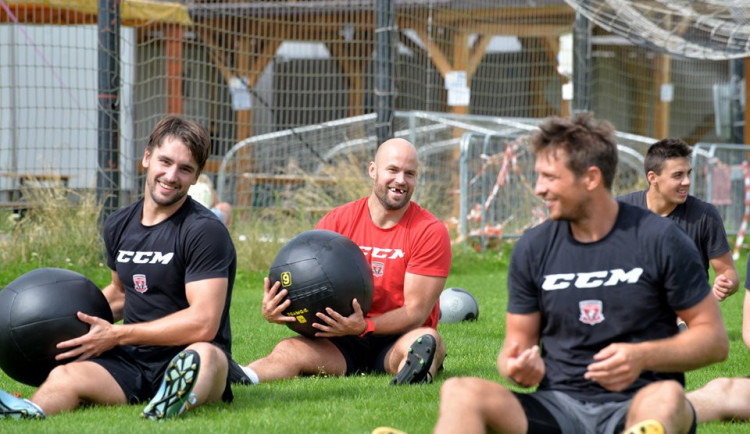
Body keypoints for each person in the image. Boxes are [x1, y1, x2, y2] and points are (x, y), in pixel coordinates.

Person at [432, 114, 728, 434]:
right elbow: (513, 349)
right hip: (559, 408)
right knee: (460, 392)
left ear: (590, 178)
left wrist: (643, 356)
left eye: (549, 177)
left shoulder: (660, 239)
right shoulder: (533, 247)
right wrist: (517, 366)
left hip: (637, 404)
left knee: (669, 397)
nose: (539, 189)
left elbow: (714, 341)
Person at [0, 115, 237, 420]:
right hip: (132, 362)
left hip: (190, 353)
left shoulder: (203, 231)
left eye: (185, 169)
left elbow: (204, 322)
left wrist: (118, 336)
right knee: (65, 377)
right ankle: (28, 411)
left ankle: (173, 398)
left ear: (195, 177)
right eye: (165, 162)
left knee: (204, 355)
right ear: (147, 157)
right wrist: (58, 322)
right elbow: (120, 294)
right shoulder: (119, 225)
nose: (171, 175)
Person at [233, 137, 451, 386]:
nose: (401, 180)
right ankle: (243, 376)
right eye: (393, 170)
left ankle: (414, 374)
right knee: (288, 349)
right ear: (373, 170)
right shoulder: (337, 222)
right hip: (339, 342)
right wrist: (278, 310)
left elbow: (415, 312)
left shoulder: (429, 230)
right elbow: (308, 285)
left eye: (409, 173)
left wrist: (364, 325)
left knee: (426, 339)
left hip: (397, 338)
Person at [618, 138, 739, 303]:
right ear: (653, 178)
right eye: (678, 175)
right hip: (635, 312)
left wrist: (726, 283)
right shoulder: (621, 211)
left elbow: (728, 271)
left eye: (688, 173)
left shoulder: (705, 215)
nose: (687, 181)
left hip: (688, 312)